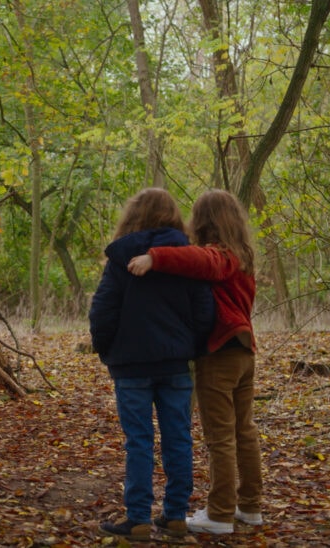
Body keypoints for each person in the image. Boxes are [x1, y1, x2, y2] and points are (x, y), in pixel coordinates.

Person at [127, 188, 263, 535]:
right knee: (243, 432)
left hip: (221, 354)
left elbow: (202, 261)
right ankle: (249, 507)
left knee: (221, 436)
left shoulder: (221, 255)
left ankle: (219, 514)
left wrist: (155, 257)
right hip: (244, 351)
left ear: (204, 221)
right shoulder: (242, 255)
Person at [90, 188, 214, 541]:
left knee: (139, 441)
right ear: (174, 218)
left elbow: (102, 312)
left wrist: (107, 350)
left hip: (131, 365)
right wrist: (191, 346)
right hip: (175, 364)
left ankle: (139, 518)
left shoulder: (121, 260)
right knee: (178, 437)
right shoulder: (187, 259)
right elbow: (204, 311)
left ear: (132, 216)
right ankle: (175, 515)